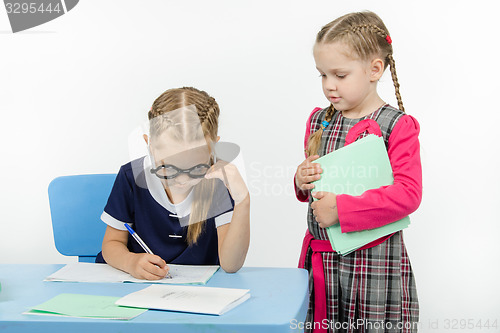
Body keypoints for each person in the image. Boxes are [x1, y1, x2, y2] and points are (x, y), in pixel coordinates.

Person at [295, 11, 422, 332]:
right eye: (322, 75)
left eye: (339, 75)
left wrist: (340, 209)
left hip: (375, 265)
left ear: (374, 69)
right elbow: (311, 186)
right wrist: (301, 179)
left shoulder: (397, 126)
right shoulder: (319, 120)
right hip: (324, 263)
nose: (329, 86)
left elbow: (408, 195)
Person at [96, 87, 250, 280]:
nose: (182, 180)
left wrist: (243, 202)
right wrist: (130, 262)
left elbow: (231, 264)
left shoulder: (217, 181)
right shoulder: (131, 177)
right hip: (135, 287)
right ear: (149, 145)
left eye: (195, 169)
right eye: (168, 168)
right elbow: (111, 243)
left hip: (198, 296)